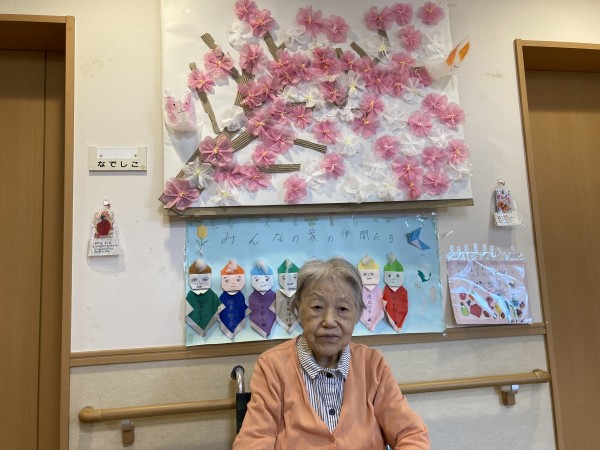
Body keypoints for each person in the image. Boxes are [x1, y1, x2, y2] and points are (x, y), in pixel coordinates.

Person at [233, 257, 430, 449]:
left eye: (342, 309)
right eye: (317, 307)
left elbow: (410, 434)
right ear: (298, 310)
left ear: (357, 315)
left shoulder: (372, 365)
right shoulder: (273, 366)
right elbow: (254, 440)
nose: (329, 321)